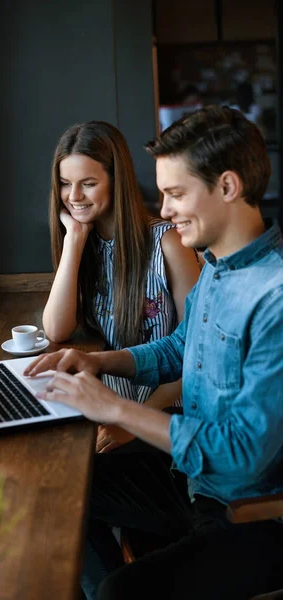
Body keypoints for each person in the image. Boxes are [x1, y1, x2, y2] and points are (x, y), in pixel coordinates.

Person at [25, 105, 283, 599]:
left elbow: (243, 457)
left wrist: (119, 409)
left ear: (227, 187)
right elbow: (179, 349)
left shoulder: (272, 298)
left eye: (176, 194)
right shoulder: (217, 266)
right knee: (61, 492)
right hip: (188, 479)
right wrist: (100, 362)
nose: (163, 210)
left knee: (119, 594)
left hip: (246, 511)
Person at [44, 121, 200, 452]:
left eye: (88, 184)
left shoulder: (168, 243)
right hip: (108, 413)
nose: (73, 197)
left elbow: (195, 357)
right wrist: (73, 240)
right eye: (64, 184)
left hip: (164, 421)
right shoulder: (85, 241)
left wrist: (131, 421)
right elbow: (56, 329)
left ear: (116, 182)